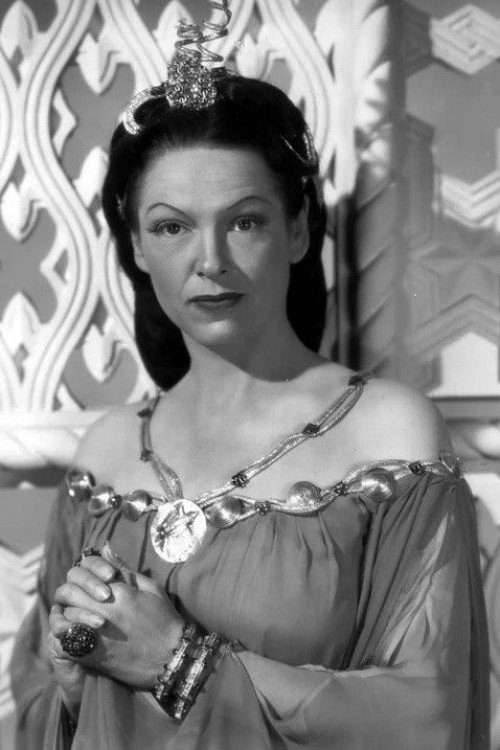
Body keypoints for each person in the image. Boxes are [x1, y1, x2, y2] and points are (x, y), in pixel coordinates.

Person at [10, 3, 489, 748]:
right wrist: (74, 690)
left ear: (297, 230)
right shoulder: (106, 453)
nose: (210, 260)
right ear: (135, 246)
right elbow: (36, 704)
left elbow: (426, 714)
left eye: (244, 221)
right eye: (171, 226)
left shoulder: (387, 434)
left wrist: (177, 663)